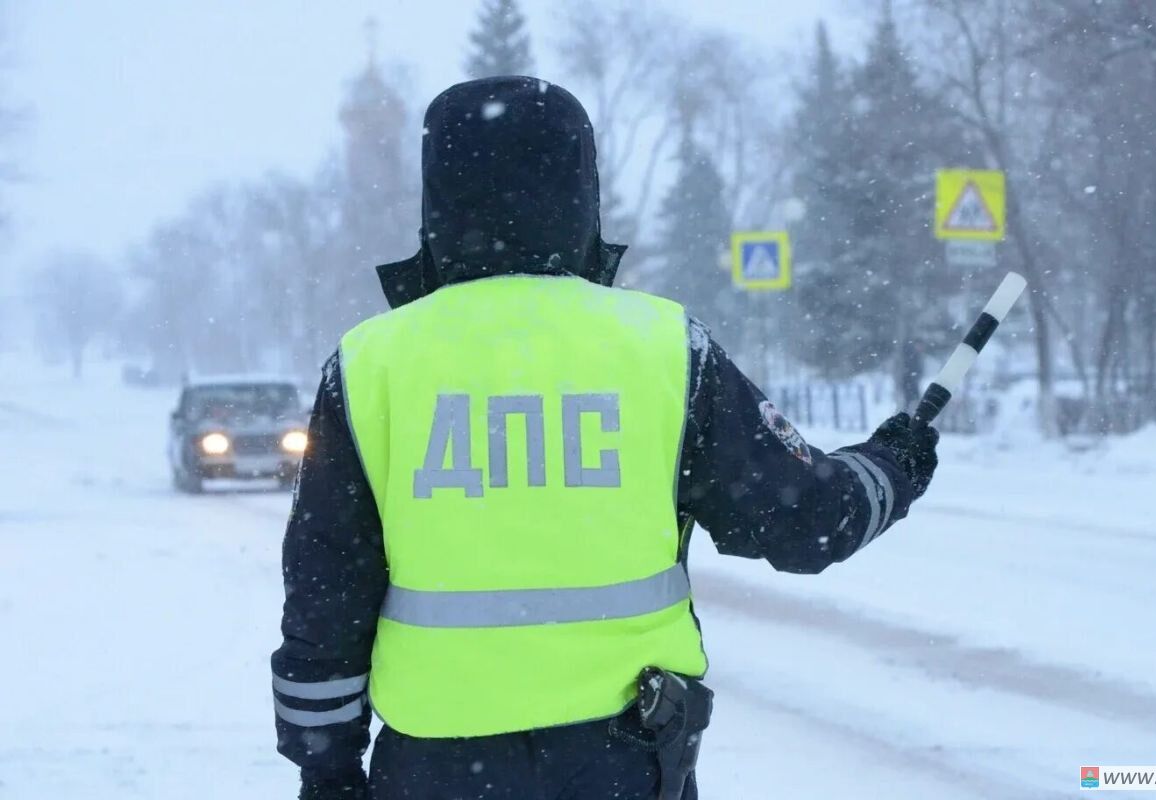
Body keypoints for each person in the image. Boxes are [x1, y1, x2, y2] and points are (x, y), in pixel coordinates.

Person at [271, 76, 940, 800]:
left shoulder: (372, 363)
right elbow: (807, 522)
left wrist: (327, 768)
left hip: (434, 767)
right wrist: (890, 464)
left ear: (437, 199)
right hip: (624, 759)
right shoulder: (666, 347)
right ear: (581, 191)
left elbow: (325, 590)